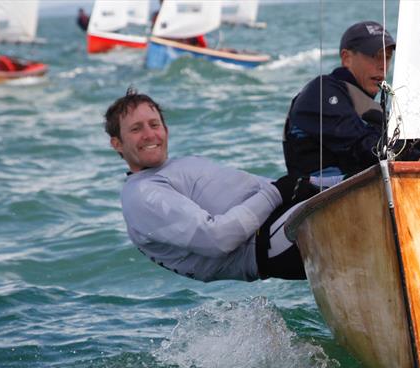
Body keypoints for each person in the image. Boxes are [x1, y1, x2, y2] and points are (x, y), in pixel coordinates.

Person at [105, 88, 318, 282]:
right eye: (136, 129)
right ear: (117, 144)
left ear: (166, 130)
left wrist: (307, 186)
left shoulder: (176, 166)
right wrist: (276, 193)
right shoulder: (143, 196)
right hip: (266, 243)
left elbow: (278, 188)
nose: (149, 135)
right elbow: (217, 239)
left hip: (280, 216)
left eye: (154, 125)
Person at [283, 21, 420, 187]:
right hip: (315, 195)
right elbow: (360, 141)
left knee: (416, 134)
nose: (382, 66)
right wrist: (414, 157)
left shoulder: (371, 107)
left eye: (387, 57)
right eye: (374, 56)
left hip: (365, 192)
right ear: (346, 58)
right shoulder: (321, 91)